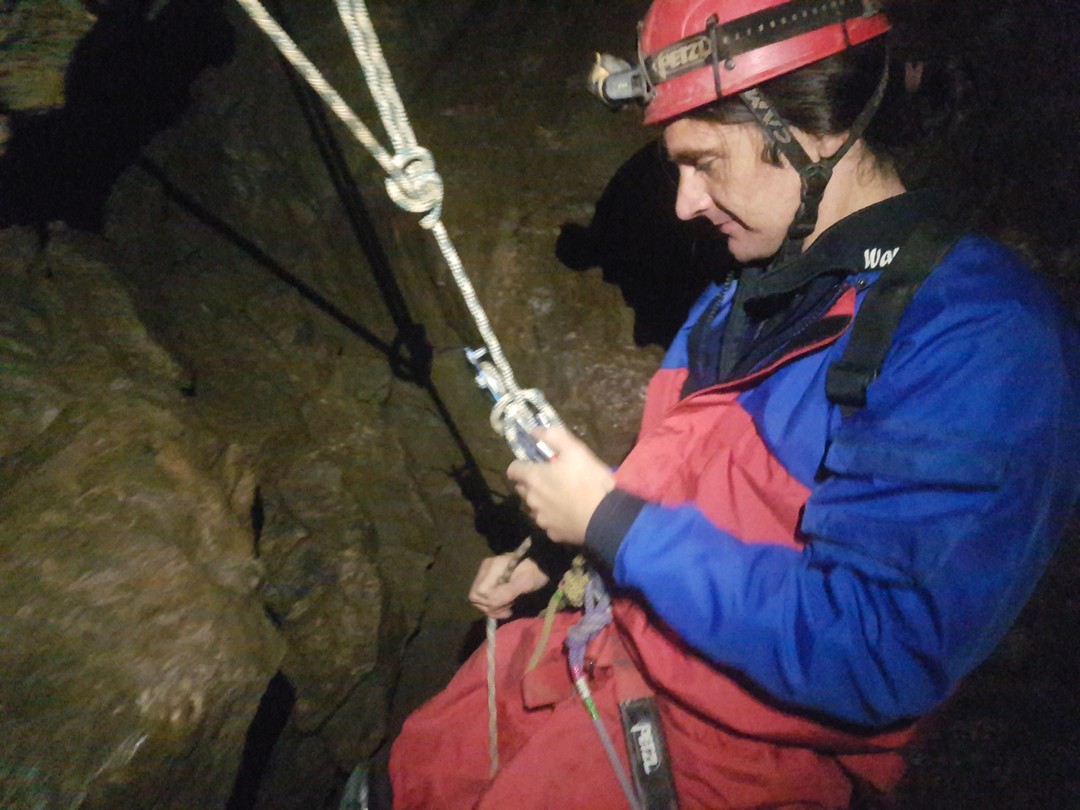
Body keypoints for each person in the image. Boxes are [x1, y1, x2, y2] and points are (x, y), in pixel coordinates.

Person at [389, 0, 1080, 807]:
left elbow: (877, 649)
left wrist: (611, 523)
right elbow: (695, 483)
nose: (685, 203)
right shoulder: (745, 297)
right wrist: (565, 551)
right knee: (409, 774)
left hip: (720, 765)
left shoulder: (977, 336)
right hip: (586, 666)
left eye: (705, 162)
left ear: (812, 130)